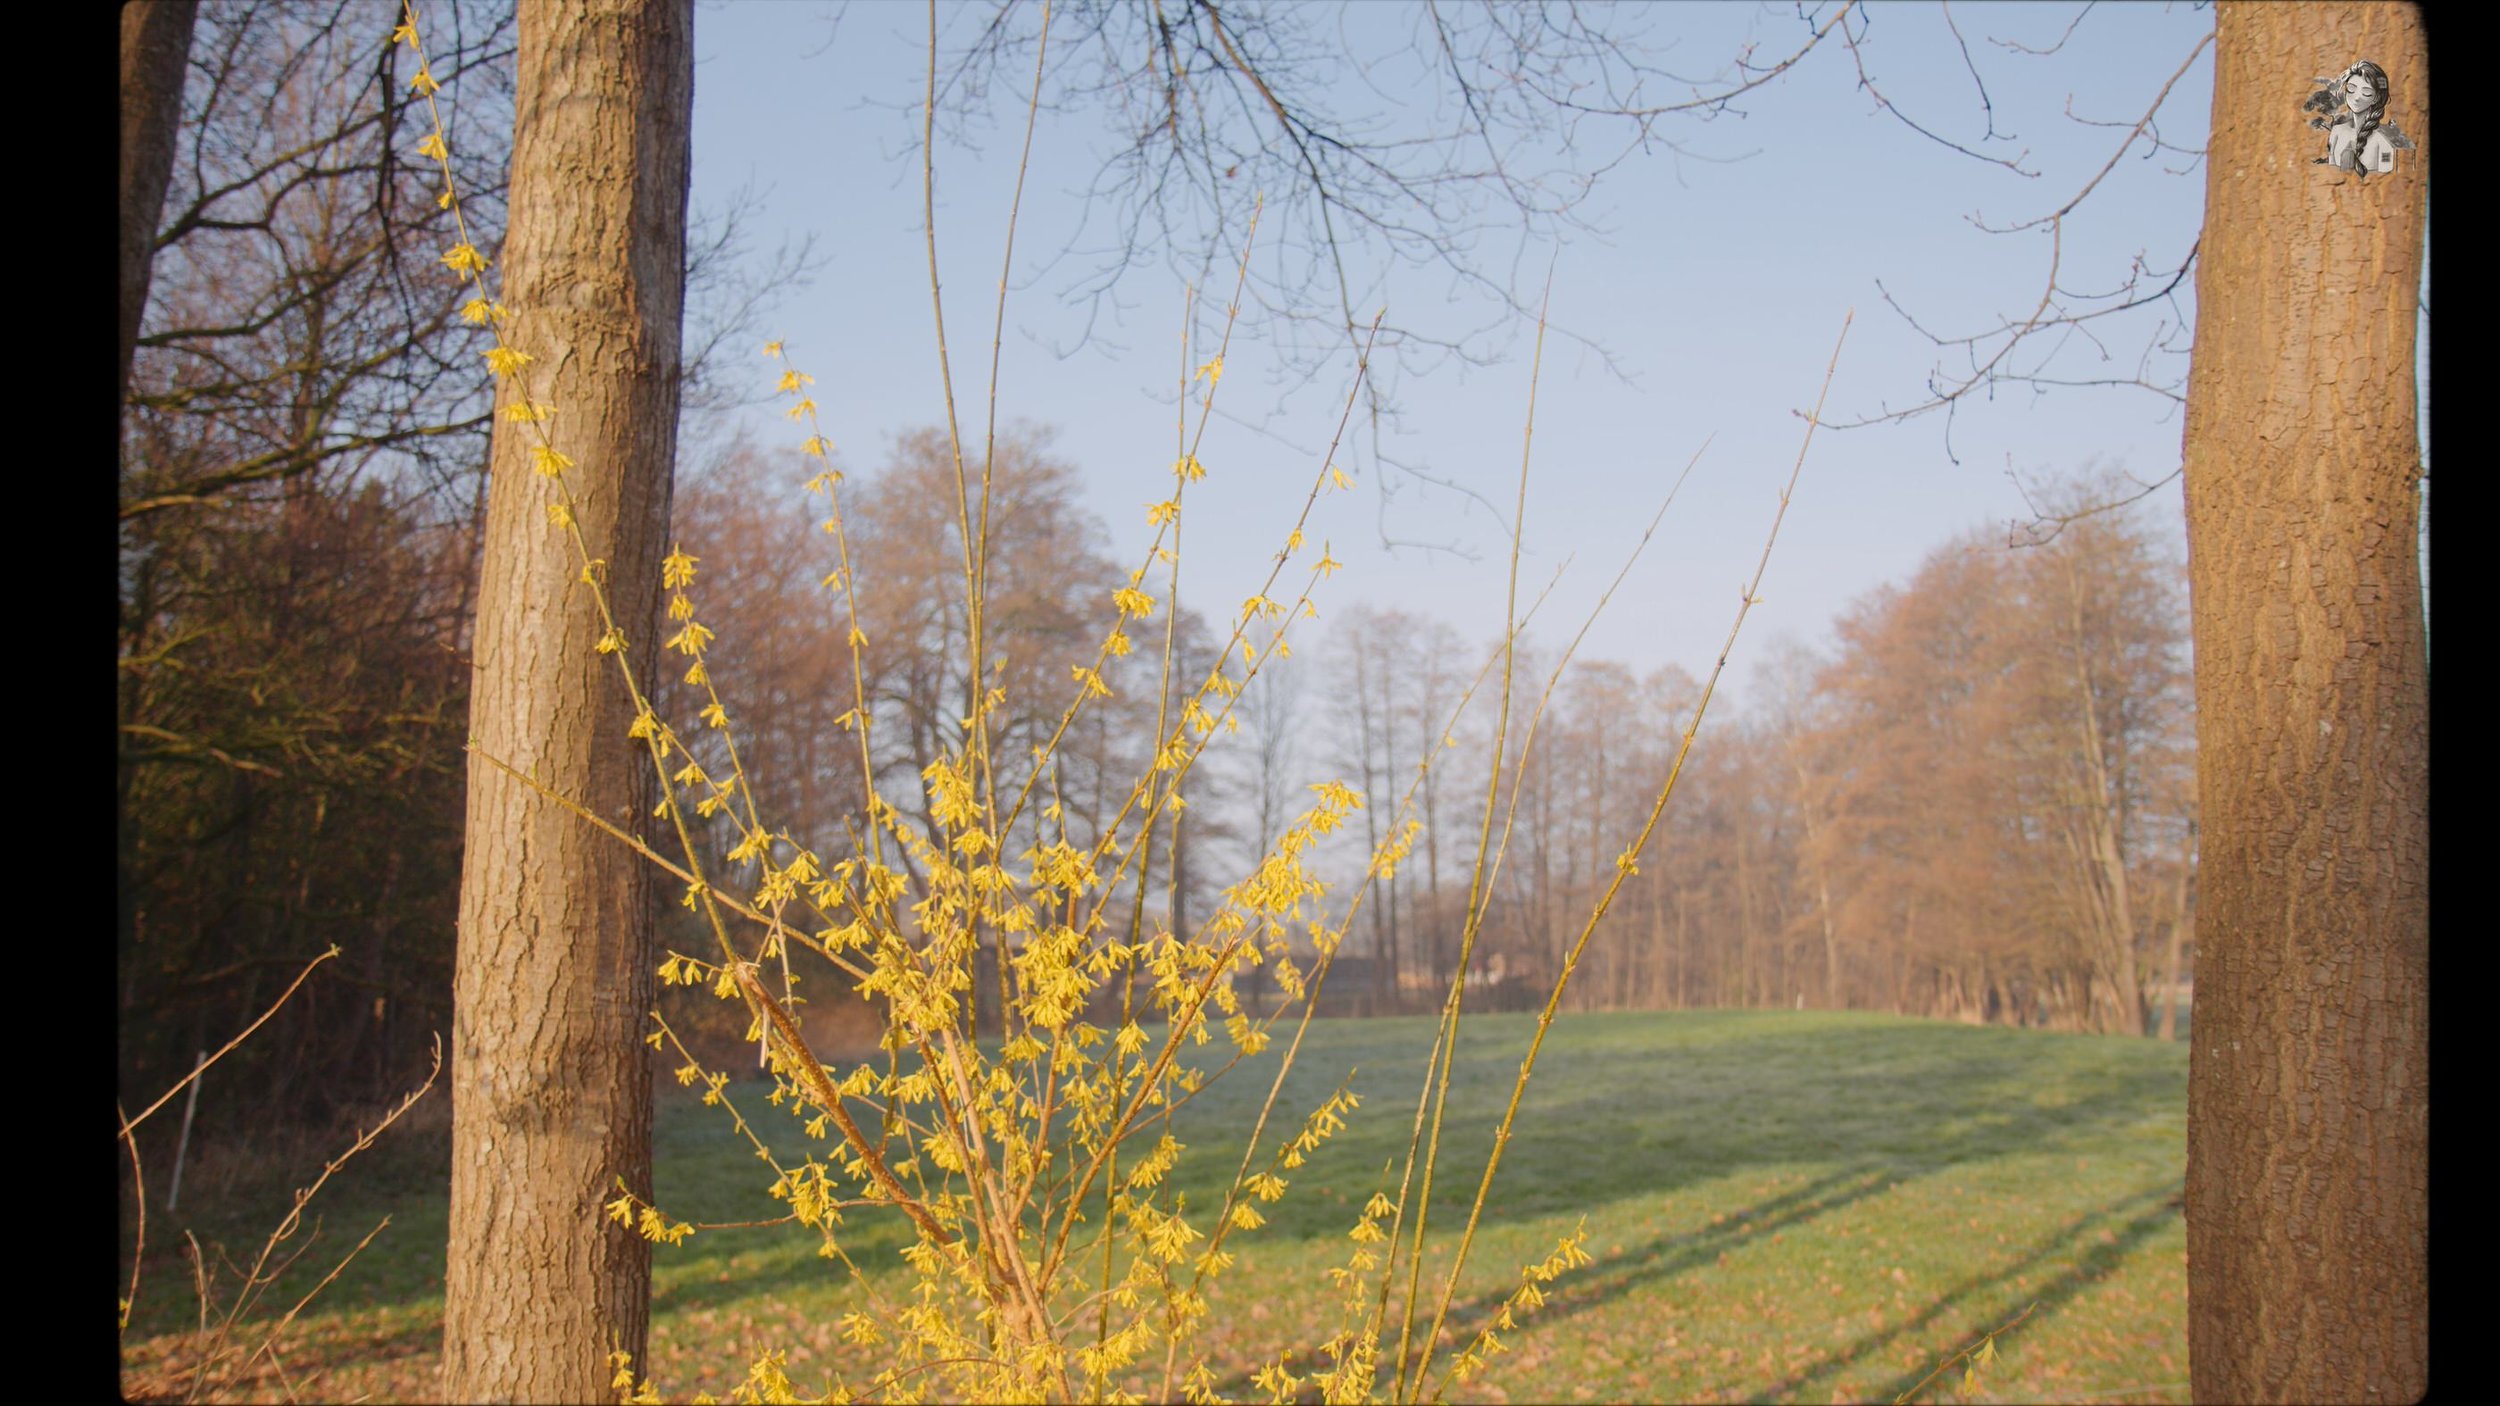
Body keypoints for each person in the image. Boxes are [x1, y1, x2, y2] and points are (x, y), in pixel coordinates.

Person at [2305, 60, 2415, 176]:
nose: (2357, 97)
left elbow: (2385, 176)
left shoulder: (2384, 141)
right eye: (2351, 88)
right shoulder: (2337, 132)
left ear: (2376, 98)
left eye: (2366, 92)